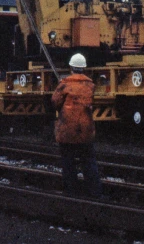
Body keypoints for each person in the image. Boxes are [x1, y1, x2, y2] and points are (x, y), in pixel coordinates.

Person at [51, 53, 101, 198]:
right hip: (85, 130)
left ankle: (71, 191)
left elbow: (55, 102)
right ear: (83, 69)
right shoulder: (90, 85)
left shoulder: (64, 84)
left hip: (67, 129)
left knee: (68, 163)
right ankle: (95, 192)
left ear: (71, 67)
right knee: (89, 162)